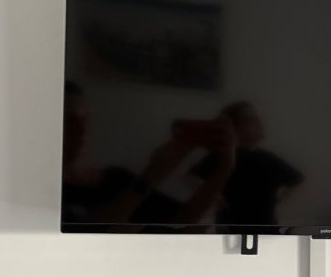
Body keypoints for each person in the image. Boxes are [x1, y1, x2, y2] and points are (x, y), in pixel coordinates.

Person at [61, 81, 235, 229]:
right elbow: (89, 234)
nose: (82, 130)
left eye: (85, 120)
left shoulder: (115, 178)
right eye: (69, 121)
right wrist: (153, 174)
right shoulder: (49, 193)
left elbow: (183, 220)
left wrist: (225, 167)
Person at [193, 101, 303, 225]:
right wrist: (213, 196)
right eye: (251, 120)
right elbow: (192, 178)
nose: (259, 123)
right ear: (235, 127)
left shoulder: (268, 158)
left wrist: (279, 199)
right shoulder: (223, 155)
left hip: (264, 226)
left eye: (258, 119)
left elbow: (297, 179)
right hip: (231, 227)